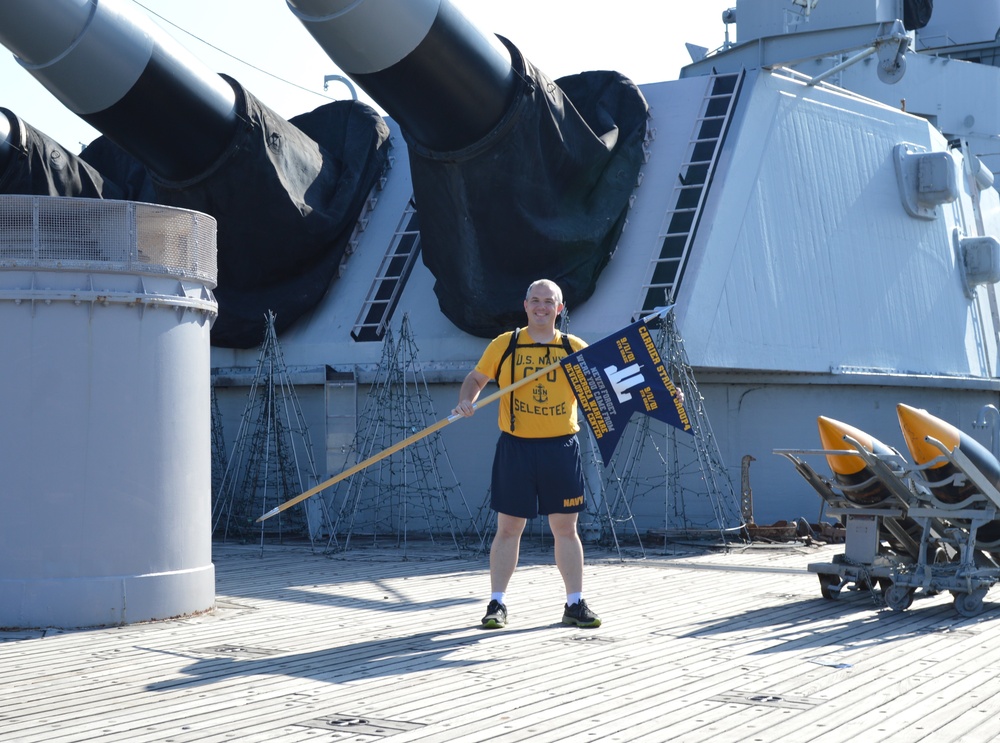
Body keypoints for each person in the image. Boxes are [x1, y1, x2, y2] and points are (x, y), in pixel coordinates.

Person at [452, 279, 601, 629]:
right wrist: (466, 400)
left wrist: (666, 395)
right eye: (535, 300)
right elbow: (476, 379)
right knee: (509, 529)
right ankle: (496, 604)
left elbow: (612, 382)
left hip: (560, 447)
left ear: (559, 309)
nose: (541, 307)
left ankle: (574, 604)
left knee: (565, 529)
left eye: (549, 302)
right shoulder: (506, 344)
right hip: (516, 448)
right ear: (525, 305)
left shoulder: (574, 348)